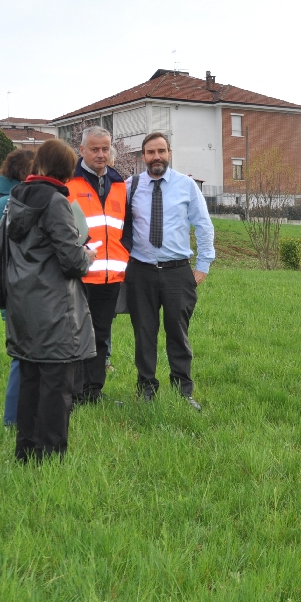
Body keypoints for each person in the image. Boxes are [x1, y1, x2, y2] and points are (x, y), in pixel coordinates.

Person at [5, 139, 96, 462]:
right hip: (54, 304)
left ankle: (25, 451)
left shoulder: (16, 198)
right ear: (67, 170)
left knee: (30, 378)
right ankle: (52, 455)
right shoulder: (56, 202)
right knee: (58, 384)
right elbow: (71, 261)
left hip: (23, 301)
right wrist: (88, 254)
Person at [124, 132, 215, 411]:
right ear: (143, 157)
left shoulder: (186, 185)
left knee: (178, 332)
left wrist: (203, 266)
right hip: (141, 272)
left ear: (169, 153)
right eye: (150, 152)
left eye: (161, 151)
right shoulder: (131, 185)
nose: (156, 157)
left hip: (177, 272)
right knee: (144, 333)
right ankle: (146, 389)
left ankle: (182, 391)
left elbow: (203, 224)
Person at [67, 125, 128, 404]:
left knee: (101, 336)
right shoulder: (69, 183)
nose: (101, 154)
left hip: (110, 277)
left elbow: (125, 229)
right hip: (79, 275)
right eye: (95, 149)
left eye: (105, 149)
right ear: (82, 151)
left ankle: (94, 391)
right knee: (76, 335)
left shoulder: (119, 185)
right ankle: (74, 391)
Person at [0, 149, 34, 427]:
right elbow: (3, 252)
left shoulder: (10, 200)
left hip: (20, 289)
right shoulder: (10, 204)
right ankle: (13, 421)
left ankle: (21, 416)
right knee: (23, 356)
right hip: (18, 290)